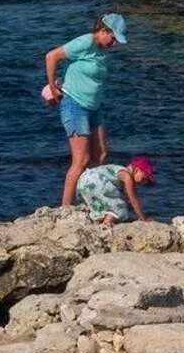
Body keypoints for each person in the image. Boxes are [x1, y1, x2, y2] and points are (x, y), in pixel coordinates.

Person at [43, 12, 127, 210]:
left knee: (101, 155)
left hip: (94, 107)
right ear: (104, 31)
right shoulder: (86, 42)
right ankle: (66, 208)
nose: (113, 44)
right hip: (75, 105)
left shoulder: (101, 50)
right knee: (81, 159)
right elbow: (51, 56)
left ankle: (91, 199)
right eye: (113, 38)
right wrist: (52, 87)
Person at [76, 156, 155, 225]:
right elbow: (133, 199)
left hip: (84, 179)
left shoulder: (118, 169)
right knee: (121, 210)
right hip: (97, 181)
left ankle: (98, 216)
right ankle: (107, 222)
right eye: (144, 178)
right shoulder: (127, 176)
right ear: (137, 170)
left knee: (99, 205)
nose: (143, 182)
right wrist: (143, 218)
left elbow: (127, 197)